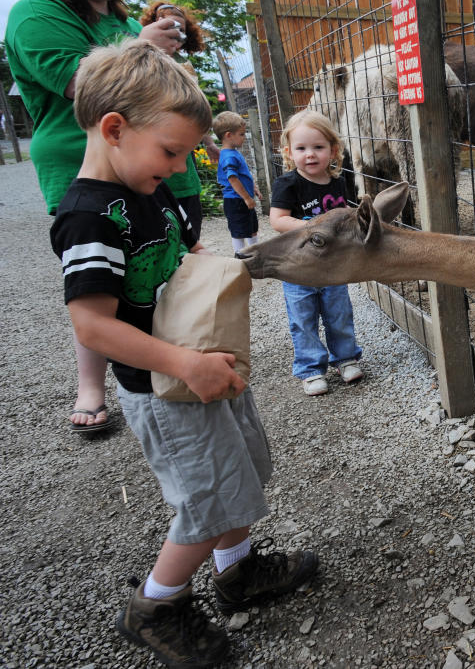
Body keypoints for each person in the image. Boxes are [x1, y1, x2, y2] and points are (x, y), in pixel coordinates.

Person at [50, 40, 318, 668]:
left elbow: (179, 259)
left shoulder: (151, 191)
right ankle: (155, 606)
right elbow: (91, 325)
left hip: (200, 364)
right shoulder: (88, 217)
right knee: (204, 501)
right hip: (164, 386)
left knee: (241, 471)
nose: (177, 168)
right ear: (113, 129)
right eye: (171, 152)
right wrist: (185, 364)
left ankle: (238, 571)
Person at [5, 0, 191, 434]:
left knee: (162, 261)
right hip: (86, 168)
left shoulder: (121, 19)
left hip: (153, 163)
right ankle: (96, 384)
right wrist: (143, 48)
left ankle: (170, 354)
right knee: (99, 277)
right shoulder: (36, 14)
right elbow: (81, 83)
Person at [269, 110, 365, 396]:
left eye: (318, 147)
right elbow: (278, 220)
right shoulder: (288, 184)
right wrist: (314, 226)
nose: (310, 155)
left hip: (333, 265)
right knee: (303, 318)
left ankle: (346, 358)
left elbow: (345, 214)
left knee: (339, 312)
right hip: (299, 267)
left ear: (333, 150)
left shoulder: (338, 181)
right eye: (301, 148)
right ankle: (311, 369)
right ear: (289, 152)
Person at [139, 0, 220, 242]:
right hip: (152, 170)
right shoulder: (137, 64)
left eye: (180, 32)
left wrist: (209, 143)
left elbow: (195, 111)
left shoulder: (184, 68)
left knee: (189, 237)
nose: (174, 36)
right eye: (167, 27)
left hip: (183, 174)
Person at [214, 111, 259, 252]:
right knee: (239, 231)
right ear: (228, 135)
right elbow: (232, 178)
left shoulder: (232, 153)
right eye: (241, 134)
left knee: (252, 228)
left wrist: (254, 188)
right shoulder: (229, 157)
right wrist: (246, 198)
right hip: (236, 200)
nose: (244, 138)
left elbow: (243, 175)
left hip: (241, 198)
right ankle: (240, 256)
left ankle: (255, 253)